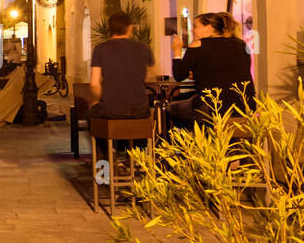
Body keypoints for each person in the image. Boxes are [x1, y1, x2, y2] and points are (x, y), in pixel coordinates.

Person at [90, 11, 154, 174]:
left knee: (93, 116)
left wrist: (102, 99)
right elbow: (151, 76)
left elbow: (94, 84)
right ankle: (136, 157)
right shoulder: (142, 48)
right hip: (140, 108)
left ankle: (108, 159)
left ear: (109, 29)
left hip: (112, 109)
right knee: (139, 123)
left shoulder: (100, 49)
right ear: (129, 28)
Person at [168, 12, 255, 127]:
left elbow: (179, 75)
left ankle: (191, 141)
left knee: (170, 109)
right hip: (245, 106)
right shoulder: (241, 44)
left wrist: (177, 51)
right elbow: (231, 71)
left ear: (208, 28)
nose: (192, 30)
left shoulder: (197, 45)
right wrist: (201, 74)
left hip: (213, 107)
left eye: (195, 26)